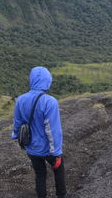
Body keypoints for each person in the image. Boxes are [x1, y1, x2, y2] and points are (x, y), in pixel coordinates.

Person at [11, 66, 67, 198]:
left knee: (40, 174)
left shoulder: (21, 100)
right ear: (47, 81)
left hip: (31, 147)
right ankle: (62, 195)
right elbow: (53, 130)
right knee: (58, 170)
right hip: (48, 149)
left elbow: (17, 124)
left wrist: (17, 137)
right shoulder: (50, 102)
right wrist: (57, 152)